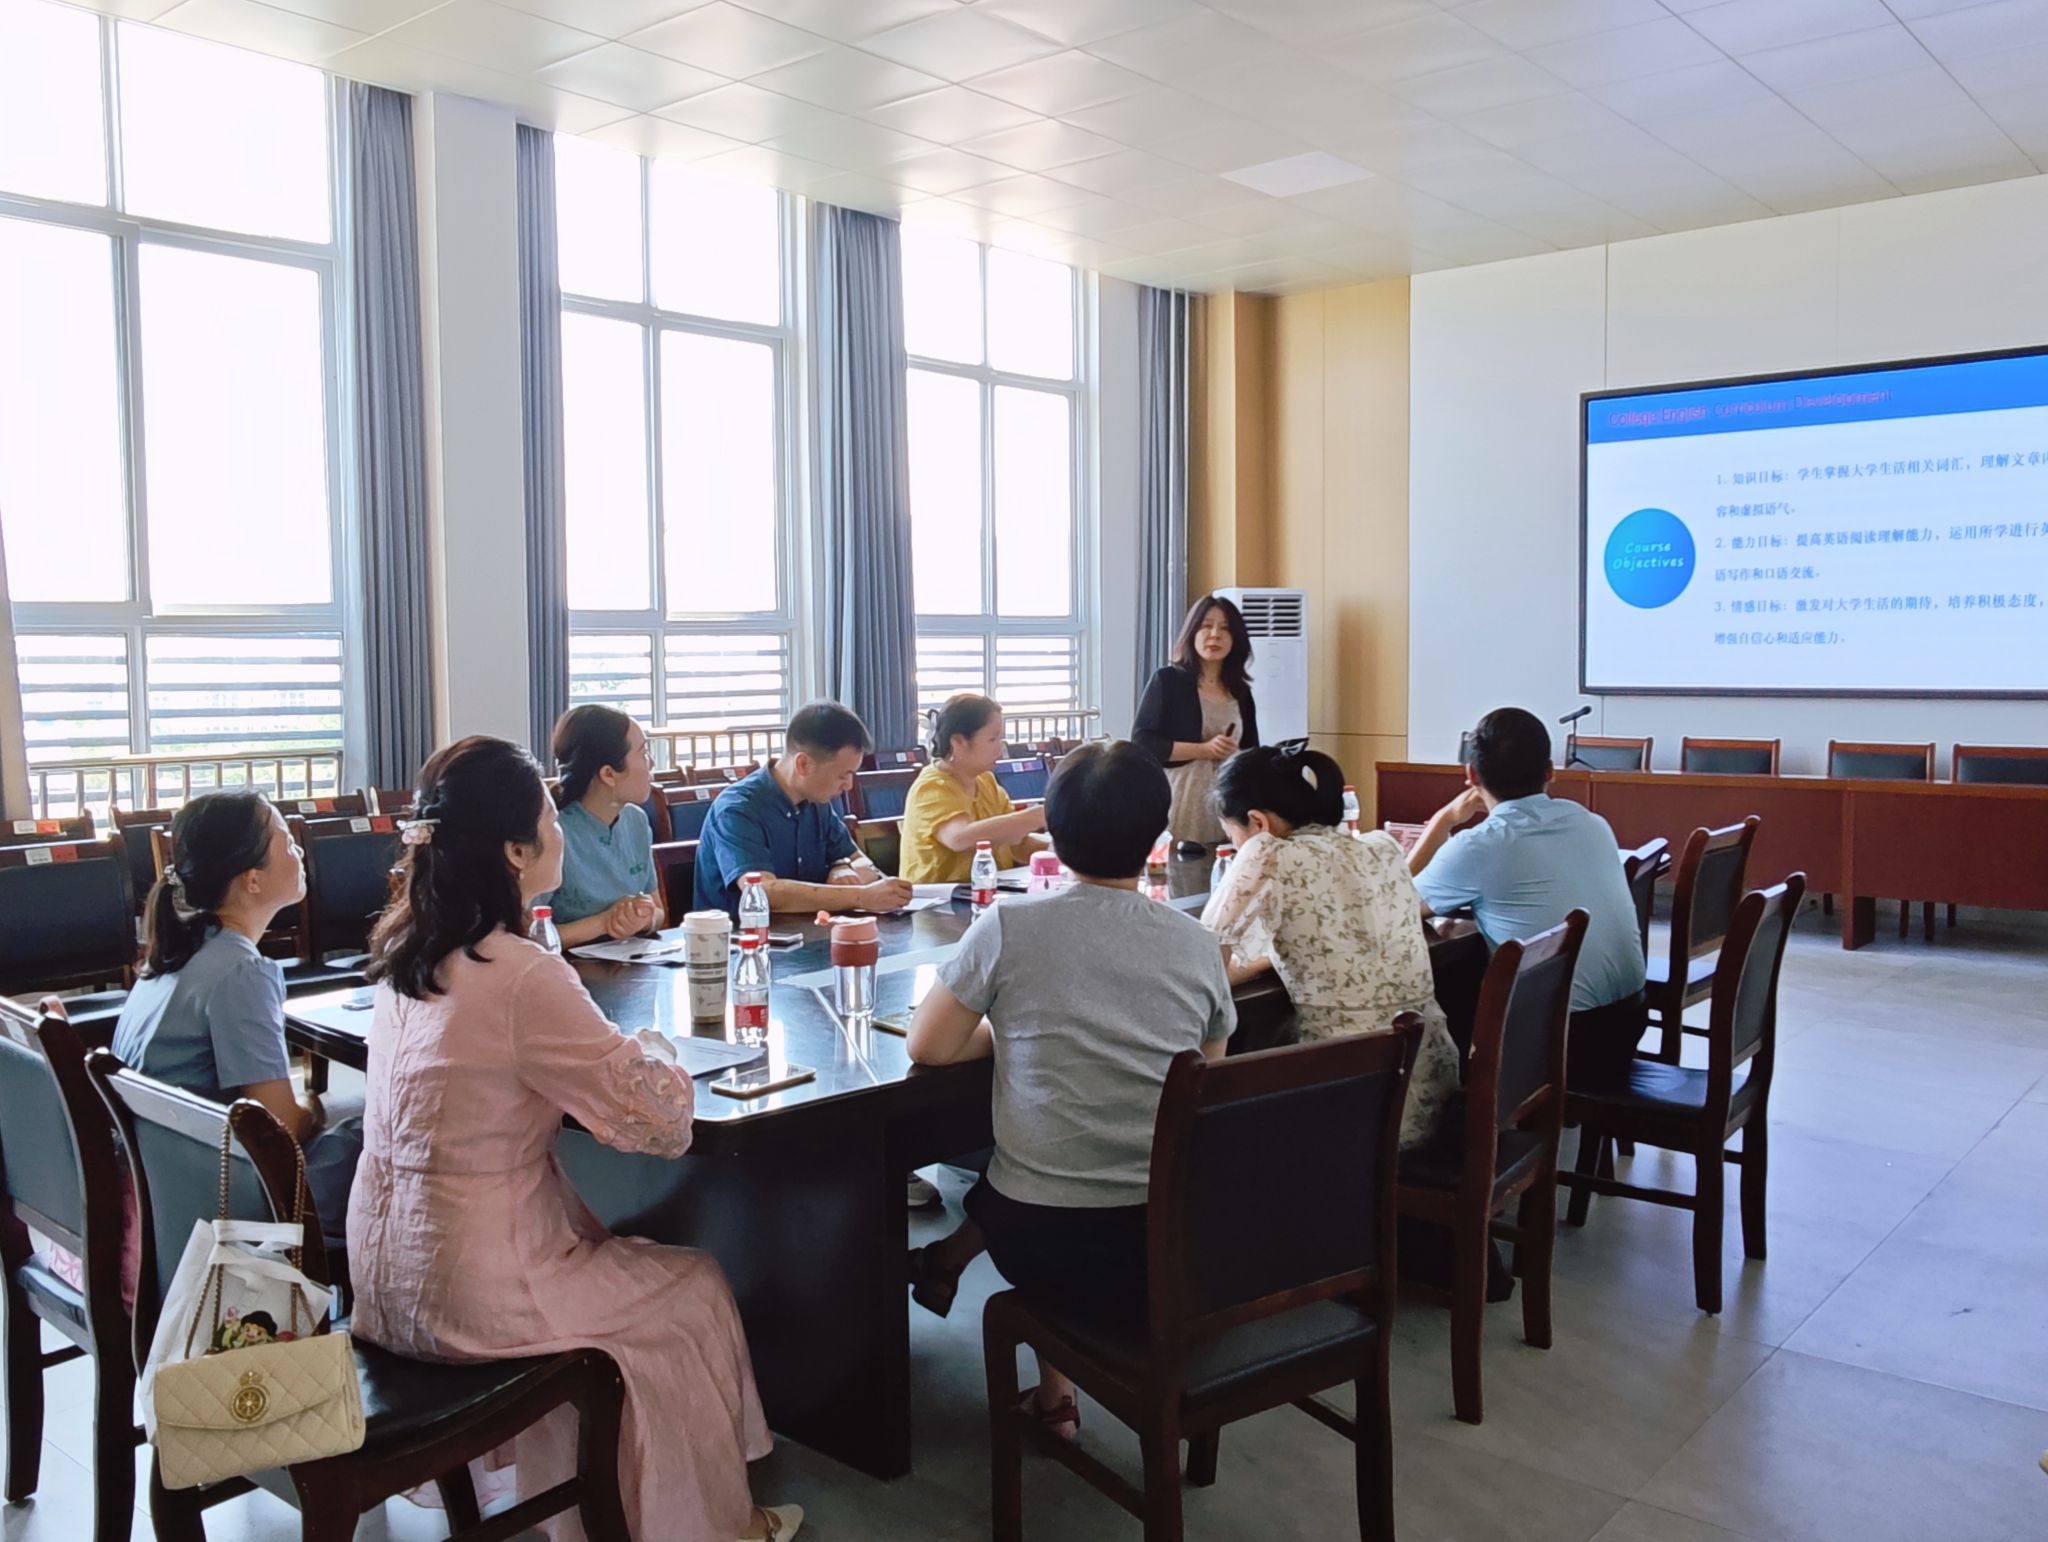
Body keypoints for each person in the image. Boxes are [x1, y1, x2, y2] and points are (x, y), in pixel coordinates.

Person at [347, 736, 800, 1542]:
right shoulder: (521, 973)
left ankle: (601, 1508)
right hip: (478, 1288)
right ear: (516, 851)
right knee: (690, 1287)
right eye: (550, 819)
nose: (559, 829)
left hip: (386, 1279)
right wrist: (652, 1051)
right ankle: (709, 1523)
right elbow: (659, 1122)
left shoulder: (406, 956)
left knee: (633, 1267)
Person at [907, 742, 1235, 1440]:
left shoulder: (1010, 925)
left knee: (1026, 1168)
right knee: (1055, 1155)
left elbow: (928, 1047)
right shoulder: (1197, 943)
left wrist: (1014, 1025)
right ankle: (1056, 1391)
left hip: (1047, 1240)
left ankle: (1054, 1390)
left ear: (1052, 828)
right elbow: (1205, 1073)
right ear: (1158, 831)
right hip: (1175, 1233)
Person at [110, 790, 360, 1242]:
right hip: (219, 1201)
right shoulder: (241, 971)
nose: (300, 852)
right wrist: (311, 1109)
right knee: (379, 1133)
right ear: (252, 880)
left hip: (164, 1184)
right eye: (287, 841)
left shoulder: (176, 952)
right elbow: (280, 1127)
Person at [1201, 743, 1459, 1150]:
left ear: (1257, 822)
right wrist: (1269, 961)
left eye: (1232, 836)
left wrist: (1257, 964)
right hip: (1431, 1091)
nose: (1235, 848)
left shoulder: (1267, 853)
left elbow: (1203, 966)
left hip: (1350, 1105)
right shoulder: (1380, 847)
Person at [1407, 706, 1648, 1090]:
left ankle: (1461, 1110)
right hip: (1627, 1024)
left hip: (1562, 1045)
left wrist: (1444, 820)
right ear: (1550, 771)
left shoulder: (1480, 845)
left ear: (1471, 775)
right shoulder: (1592, 822)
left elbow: (1395, 904)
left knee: (1450, 988)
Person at [693, 702, 913, 918]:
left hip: (812, 931)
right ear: (803, 764)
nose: (848, 786)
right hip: (742, 936)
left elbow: (860, 861)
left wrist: (841, 865)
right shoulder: (737, 809)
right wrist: (860, 897)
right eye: (842, 775)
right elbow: (763, 892)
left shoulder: (818, 802)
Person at [1132, 594, 1261, 848]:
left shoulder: (1240, 690)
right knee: (1183, 865)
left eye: (1225, 629)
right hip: (1183, 797)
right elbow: (1143, 743)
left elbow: (1252, 750)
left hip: (1228, 801)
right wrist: (1204, 750)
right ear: (1192, 633)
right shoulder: (1168, 680)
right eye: (1206, 626)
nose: (1215, 635)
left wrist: (1237, 755)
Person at [545, 704, 665, 949]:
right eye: (643, 753)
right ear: (609, 774)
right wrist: (604, 923)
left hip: (631, 959)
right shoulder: (551, 831)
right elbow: (527, 936)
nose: (651, 763)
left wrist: (643, 918)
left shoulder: (636, 820)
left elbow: (658, 911)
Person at [899, 693, 1048, 885]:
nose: (1000, 748)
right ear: (958, 742)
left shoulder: (986, 781)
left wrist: (1060, 849)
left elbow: (1014, 841)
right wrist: (1037, 815)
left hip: (988, 892)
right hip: (939, 900)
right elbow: (959, 838)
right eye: (992, 739)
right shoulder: (931, 787)